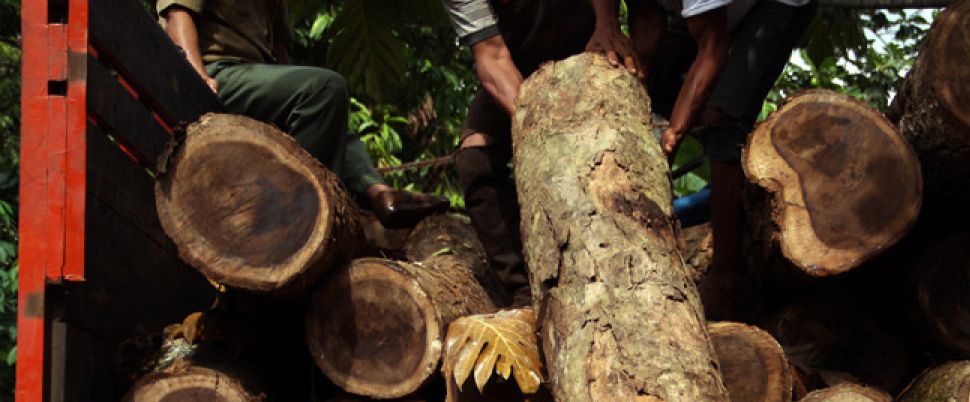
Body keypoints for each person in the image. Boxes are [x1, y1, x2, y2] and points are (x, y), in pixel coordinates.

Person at [157, 0, 448, 229]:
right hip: (215, 74)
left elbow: (279, 51)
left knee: (330, 118)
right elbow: (178, 16)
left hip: (254, 77)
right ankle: (297, 221)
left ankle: (380, 194)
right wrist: (197, 78)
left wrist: (287, 94)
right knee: (324, 89)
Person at [625, 0, 816, 318]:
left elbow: (713, 47)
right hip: (714, 12)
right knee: (652, 75)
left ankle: (725, 278)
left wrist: (674, 133)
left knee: (723, 117)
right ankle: (722, 154)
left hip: (777, 5)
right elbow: (648, 20)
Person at [444, 0, 641, 305]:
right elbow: (492, 55)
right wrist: (535, 121)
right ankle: (524, 292)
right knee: (475, 159)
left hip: (587, 46)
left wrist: (607, 23)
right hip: (518, 66)